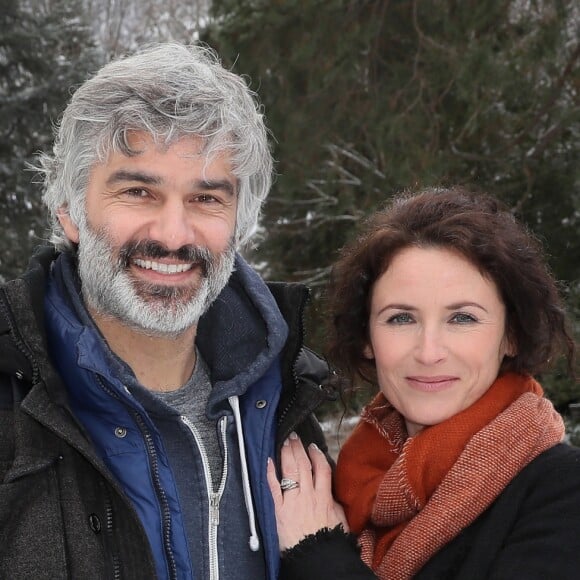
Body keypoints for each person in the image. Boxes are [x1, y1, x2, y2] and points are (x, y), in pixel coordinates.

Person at [0, 42, 334, 580]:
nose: (174, 235)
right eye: (138, 191)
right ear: (68, 210)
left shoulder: (285, 403)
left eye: (206, 199)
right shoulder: (13, 412)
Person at [267, 186, 580, 579]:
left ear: (511, 334)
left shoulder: (561, 492)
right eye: (401, 318)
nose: (429, 352)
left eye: (462, 318)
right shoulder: (339, 488)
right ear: (367, 338)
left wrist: (318, 555)